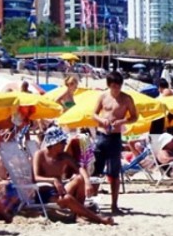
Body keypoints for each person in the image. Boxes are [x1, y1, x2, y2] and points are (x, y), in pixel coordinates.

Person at [33, 127, 114, 225]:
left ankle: (77, 216)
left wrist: (87, 182)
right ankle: (98, 219)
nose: (65, 144)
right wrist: (53, 180)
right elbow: (35, 177)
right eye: (62, 142)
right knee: (67, 198)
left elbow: (79, 168)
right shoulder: (40, 155)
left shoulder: (63, 156)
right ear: (53, 143)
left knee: (80, 178)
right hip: (45, 194)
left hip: (59, 190)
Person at [92, 71, 138, 214]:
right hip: (101, 136)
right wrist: (102, 120)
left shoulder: (126, 99)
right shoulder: (103, 96)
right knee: (96, 171)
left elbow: (135, 116)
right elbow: (93, 114)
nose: (116, 89)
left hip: (115, 137)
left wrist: (122, 121)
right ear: (109, 85)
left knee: (114, 173)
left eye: (118, 86)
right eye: (113, 87)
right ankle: (92, 203)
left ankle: (114, 205)